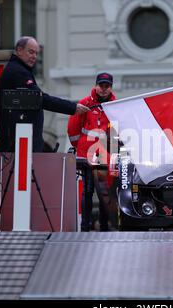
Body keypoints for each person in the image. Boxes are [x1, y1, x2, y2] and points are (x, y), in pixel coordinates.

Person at [0, 36, 89, 152]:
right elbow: (40, 98)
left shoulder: (19, 70)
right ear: (19, 50)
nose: (34, 56)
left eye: (36, 53)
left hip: (18, 143)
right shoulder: (19, 72)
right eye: (31, 52)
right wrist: (72, 107)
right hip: (19, 145)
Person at [68, 73, 117, 231]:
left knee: (104, 193)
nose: (103, 89)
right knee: (88, 190)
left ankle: (103, 227)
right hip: (87, 155)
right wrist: (80, 147)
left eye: (106, 86)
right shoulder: (84, 104)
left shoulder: (116, 105)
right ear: (96, 85)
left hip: (105, 156)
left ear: (111, 87)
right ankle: (85, 226)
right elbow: (73, 129)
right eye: (101, 86)